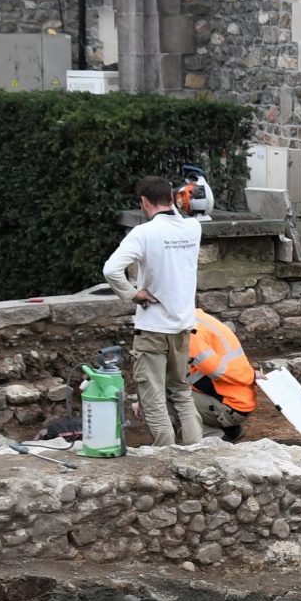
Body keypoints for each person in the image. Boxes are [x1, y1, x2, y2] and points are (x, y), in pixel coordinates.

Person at [101, 174, 205, 446]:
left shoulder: (144, 233)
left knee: (153, 397)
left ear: (144, 202)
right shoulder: (193, 228)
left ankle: (165, 455)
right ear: (172, 198)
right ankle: (197, 450)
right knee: (181, 392)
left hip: (153, 329)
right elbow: (181, 221)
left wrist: (133, 294)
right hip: (183, 326)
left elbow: (111, 270)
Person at [186, 307, 256, 442]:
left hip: (231, 405)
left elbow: (216, 369)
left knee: (169, 399)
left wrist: (250, 375)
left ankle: (216, 437)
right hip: (240, 401)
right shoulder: (201, 318)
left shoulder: (191, 333)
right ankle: (230, 430)